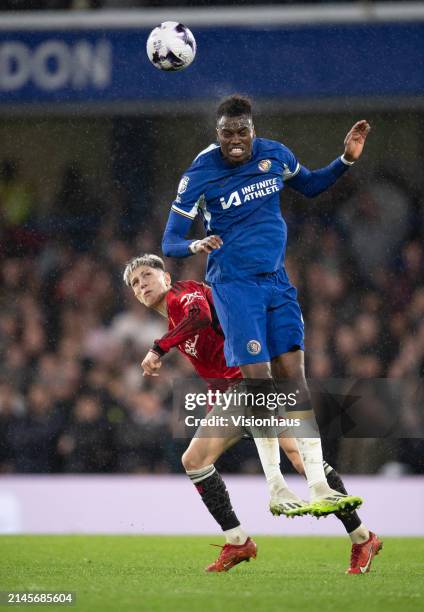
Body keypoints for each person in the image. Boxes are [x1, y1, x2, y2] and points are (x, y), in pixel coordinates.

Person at [162, 94, 369, 516]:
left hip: (276, 282)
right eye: (227, 134)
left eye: (242, 132)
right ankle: (276, 485)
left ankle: (316, 485)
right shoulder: (199, 174)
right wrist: (194, 243)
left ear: (252, 131)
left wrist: (344, 160)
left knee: (295, 379)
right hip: (234, 287)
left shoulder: (275, 155)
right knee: (260, 384)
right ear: (216, 133)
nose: (235, 141)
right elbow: (170, 241)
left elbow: (310, 185)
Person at [123, 254, 382, 574]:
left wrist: (159, 347)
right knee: (299, 459)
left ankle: (239, 541)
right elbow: (216, 350)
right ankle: (362, 537)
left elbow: (201, 316)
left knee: (195, 460)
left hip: (248, 384)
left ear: (166, 277)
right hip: (241, 387)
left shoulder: (182, 294)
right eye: (135, 283)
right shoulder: (174, 318)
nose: (142, 283)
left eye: (147, 275)